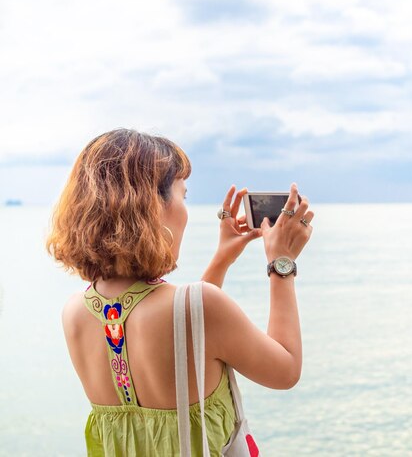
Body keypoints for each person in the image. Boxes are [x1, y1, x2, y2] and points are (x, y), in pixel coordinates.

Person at [45, 129, 314, 456]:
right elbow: (285, 371)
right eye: (183, 195)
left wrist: (221, 258)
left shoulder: (74, 313)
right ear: (152, 206)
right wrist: (281, 264)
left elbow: (187, 339)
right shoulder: (200, 306)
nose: (185, 210)